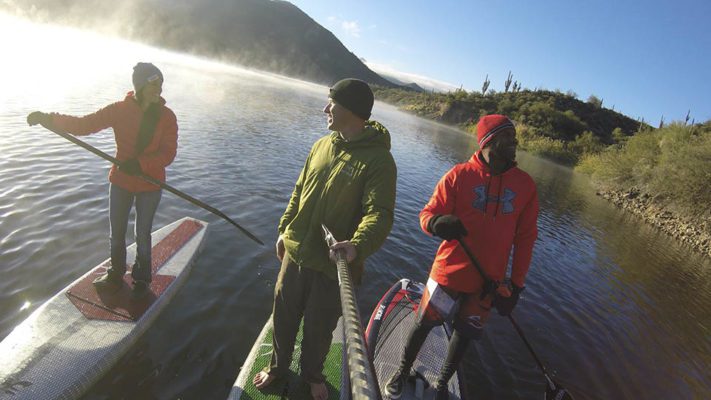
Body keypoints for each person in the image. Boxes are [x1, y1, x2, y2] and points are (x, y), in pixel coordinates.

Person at [252, 78, 397, 400]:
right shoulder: (322, 145)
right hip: (296, 252)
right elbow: (299, 190)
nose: (325, 108)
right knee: (284, 315)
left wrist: (357, 245)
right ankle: (277, 367)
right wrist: (284, 230)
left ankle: (314, 376)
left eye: (331, 103)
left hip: (334, 264)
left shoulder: (379, 161)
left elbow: (380, 213)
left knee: (320, 327)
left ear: (351, 110)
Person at [384, 114, 539, 399]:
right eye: (508, 137)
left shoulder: (525, 186)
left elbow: (526, 239)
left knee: (466, 334)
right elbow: (426, 214)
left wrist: (515, 286)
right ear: (488, 141)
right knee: (423, 323)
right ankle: (403, 370)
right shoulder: (458, 175)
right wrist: (436, 223)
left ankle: (442, 383)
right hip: (448, 274)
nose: (514, 142)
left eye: (514, 137)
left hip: (487, 283)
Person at [26, 62, 178, 299]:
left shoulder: (167, 117)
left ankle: (141, 278)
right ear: (139, 85)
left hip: (150, 183)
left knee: (142, 234)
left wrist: (140, 164)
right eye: (152, 84)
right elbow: (84, 125)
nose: (157, 89)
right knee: (116, 233)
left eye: (160, 84)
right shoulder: (119, 110)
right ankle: (116, 273)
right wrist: (48, 118)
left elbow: (168, 154)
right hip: (121, 181)